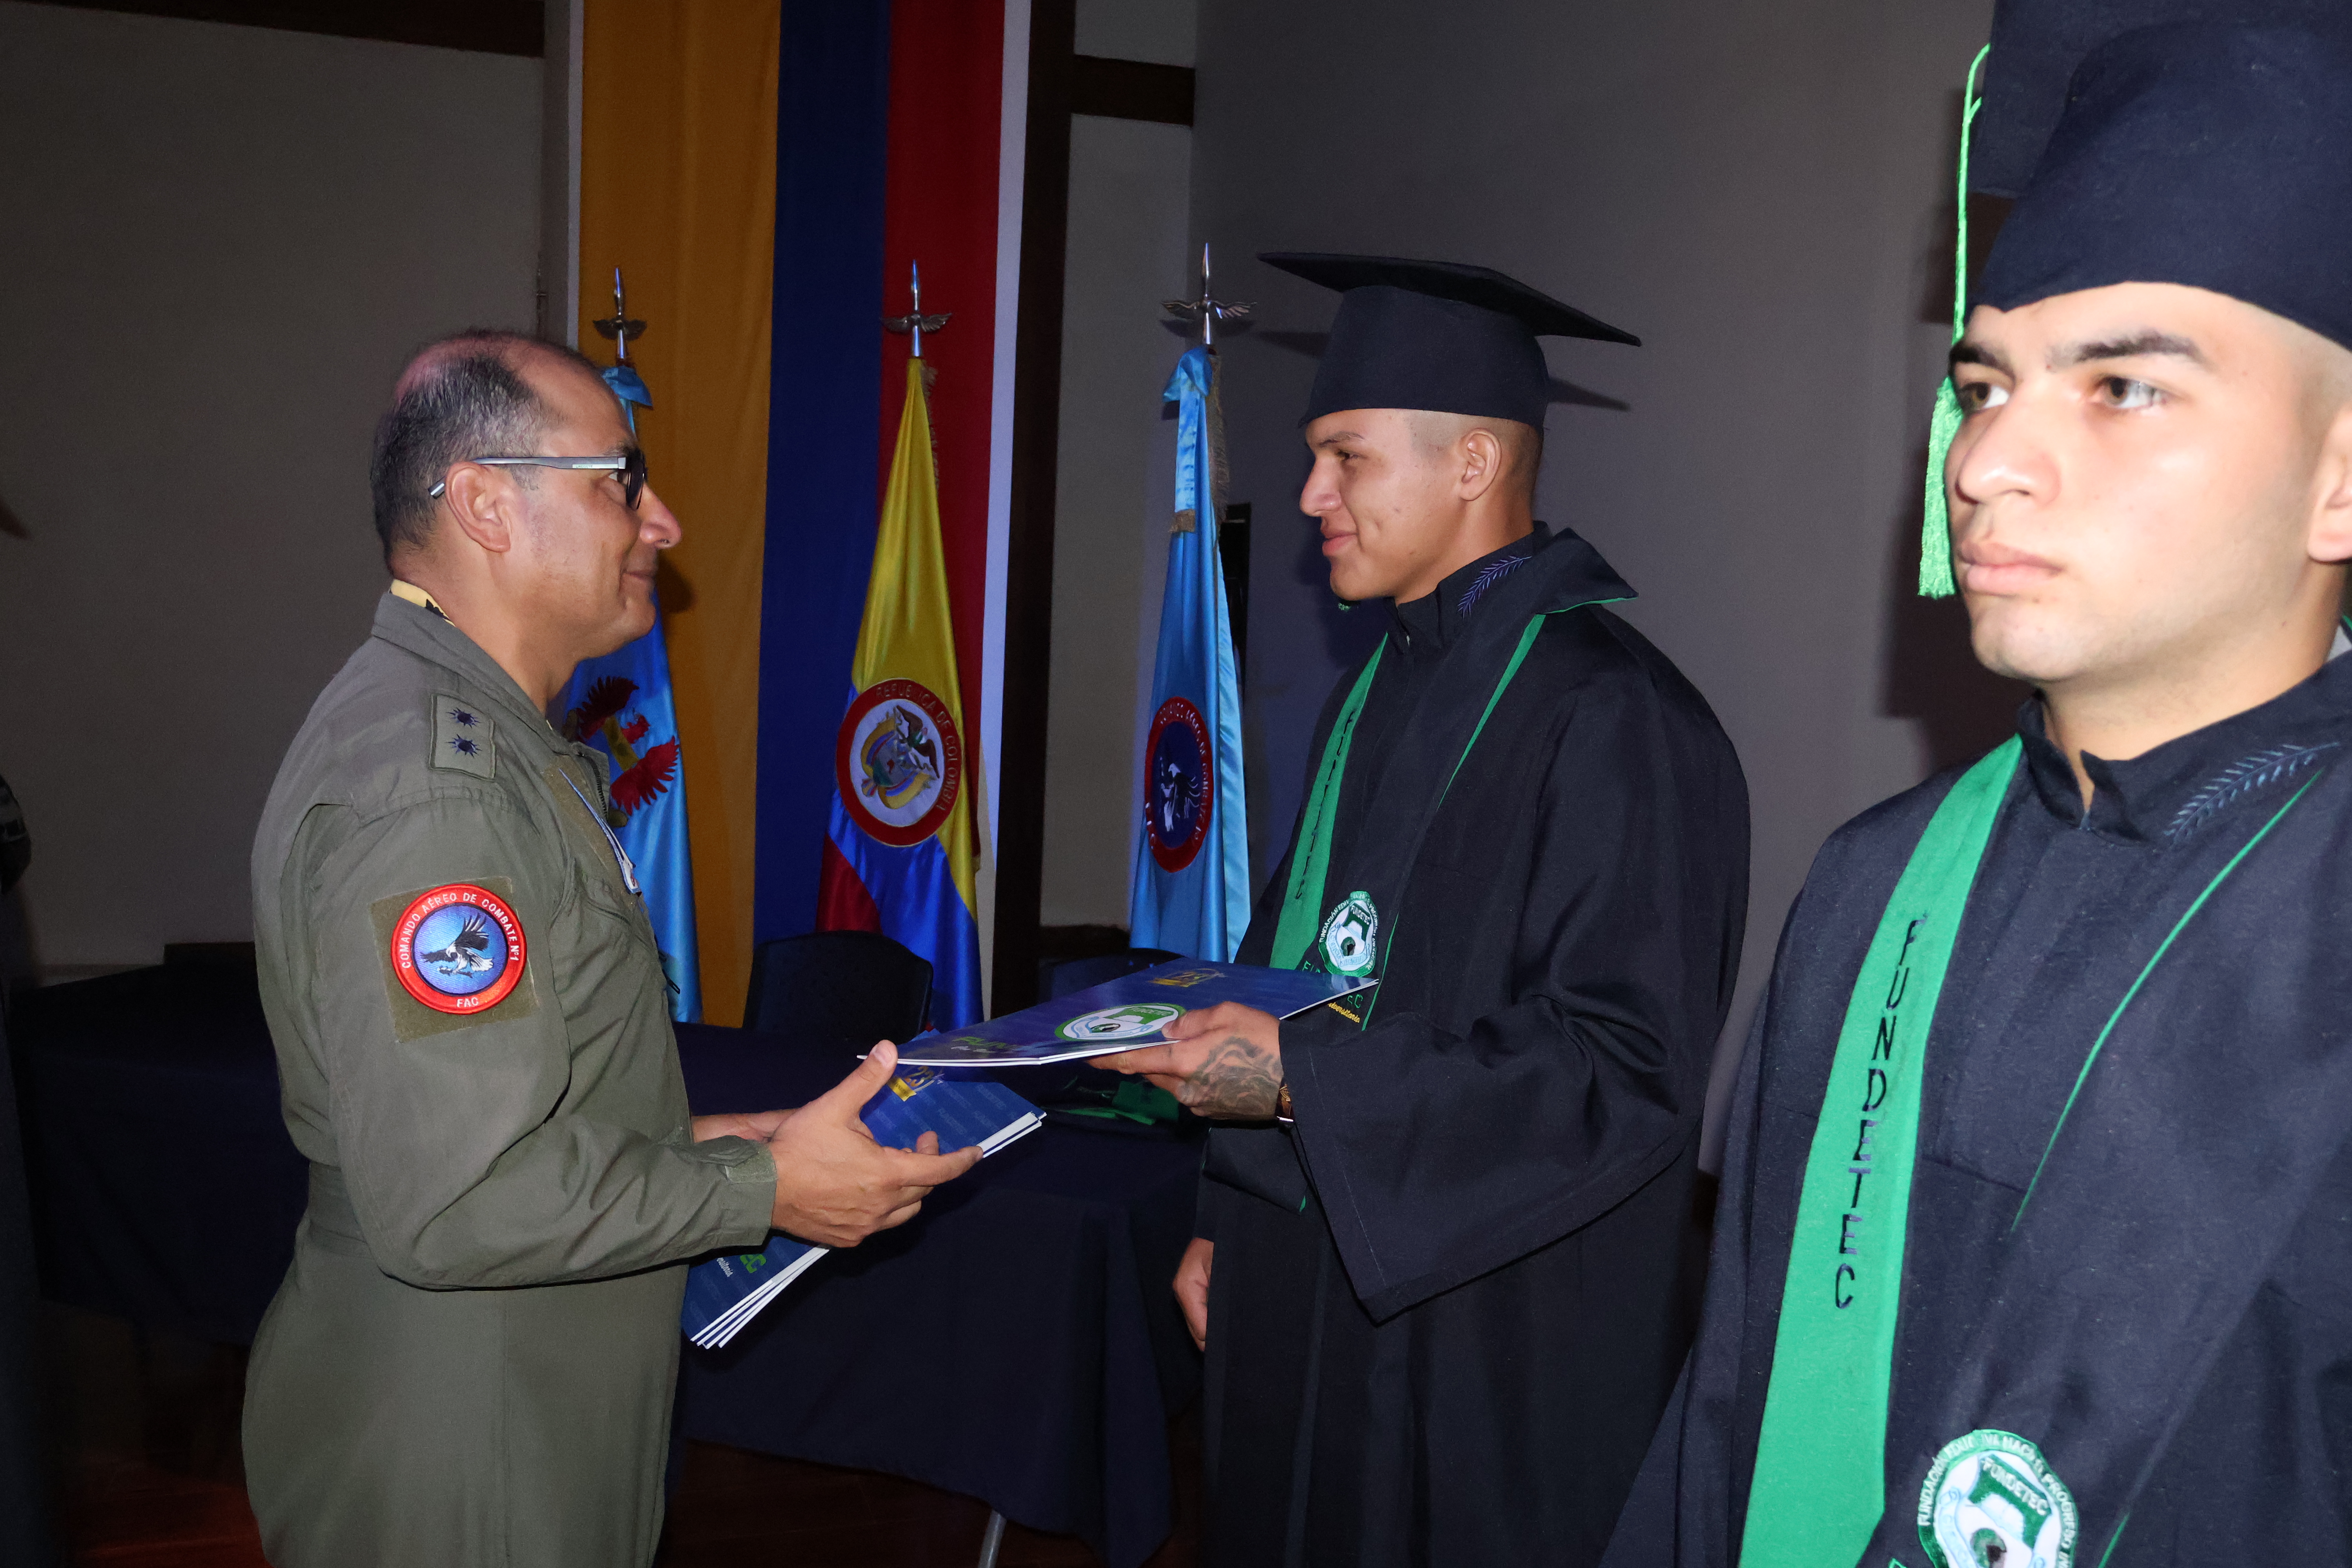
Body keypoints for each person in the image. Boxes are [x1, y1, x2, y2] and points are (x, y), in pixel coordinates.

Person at [1602, 12, 2352, 1568]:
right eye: (1985, 382)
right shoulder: (1878, 883)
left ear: (2339, 475)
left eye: (2122, 387)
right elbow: (1725, 1420)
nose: (1987, 457)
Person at [243, 330, 980, 1568]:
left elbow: (506, 1115)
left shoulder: (483, 745)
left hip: (522, 1401)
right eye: (621, 482)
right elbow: (462, 1199)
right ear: (486, 505)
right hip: (471, 1438)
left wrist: (704, 1145)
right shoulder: (441, 795)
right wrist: (766, 1189)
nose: (664, 521)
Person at [1102, 254, 1752, 1566]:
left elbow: (1621, 1072)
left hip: (1487, 1340)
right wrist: (1233, 1217)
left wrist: (1302, 1090)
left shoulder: (1617, 720)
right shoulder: (1381, 685)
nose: (1308, 498)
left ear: (1470, 465)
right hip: (1312, 1293)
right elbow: (1297, 971)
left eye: (1344, 456)